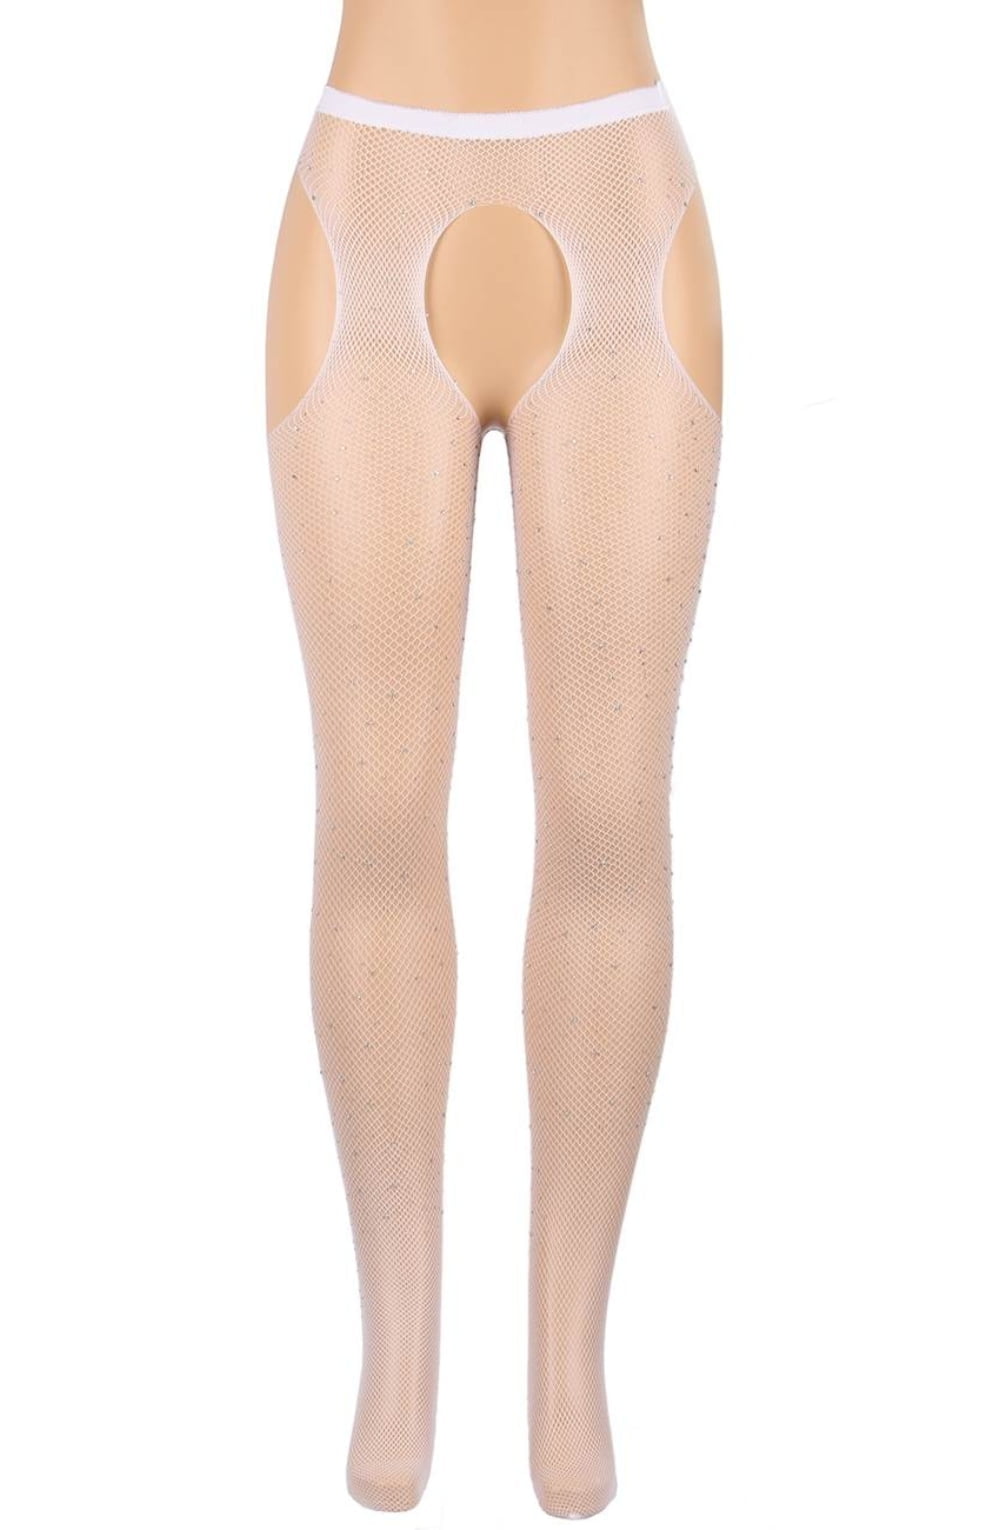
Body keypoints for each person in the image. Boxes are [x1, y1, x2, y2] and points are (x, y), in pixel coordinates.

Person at [265, 0, 723, 1517]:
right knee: (374, 811)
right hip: (367, 193)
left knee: (609, 813)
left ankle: (568, 1357)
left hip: (621, 200)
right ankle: (396, 1345)